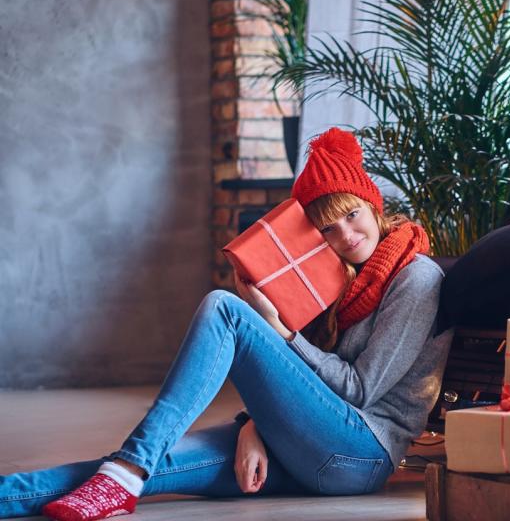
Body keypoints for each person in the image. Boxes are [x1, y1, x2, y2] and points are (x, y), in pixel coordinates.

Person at [0, 128, 452, 520]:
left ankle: (129, 469)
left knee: (226, 308)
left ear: (373, 206)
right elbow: (300, 385)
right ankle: (58, 486)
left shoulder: (416, 278)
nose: (346, 235)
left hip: (359, 454)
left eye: (351, 215)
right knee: (142, 465)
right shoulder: (338, 283)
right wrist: (255, 425)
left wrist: (280, 329)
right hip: (309, 442)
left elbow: (358, 390)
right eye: (328, 229)